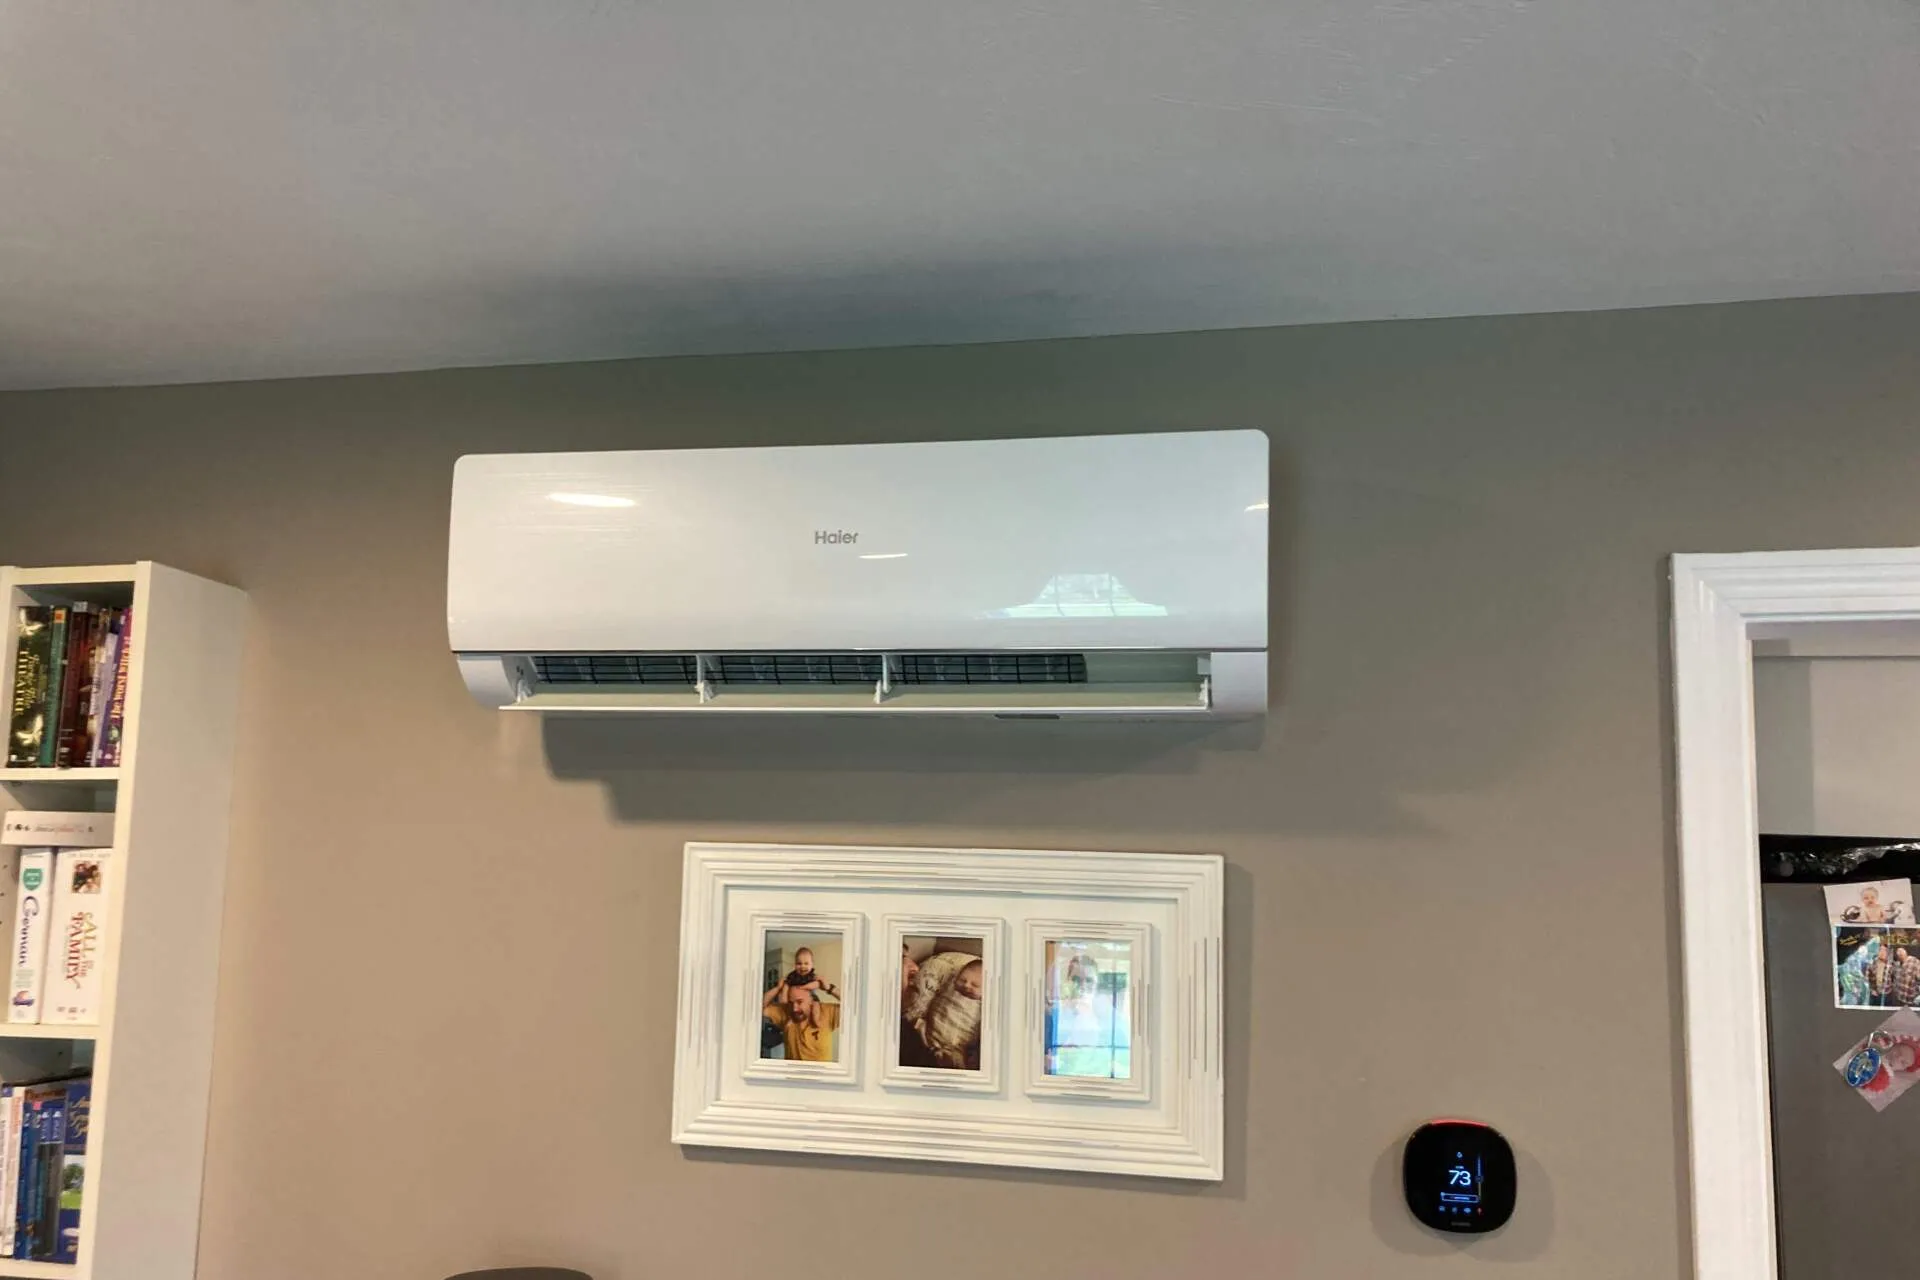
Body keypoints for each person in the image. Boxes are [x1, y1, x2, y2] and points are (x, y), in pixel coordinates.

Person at [762, 981, 840, 1062]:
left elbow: (852, 1007)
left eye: (800, 1002)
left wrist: (829, 988)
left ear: (811, 1000)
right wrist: (777, 988)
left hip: (821, 1074)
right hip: (792, 1073)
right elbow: (756, 1007)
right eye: (791, 1002)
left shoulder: (827, 1012)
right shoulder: (786, 1011)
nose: (794, 1008)